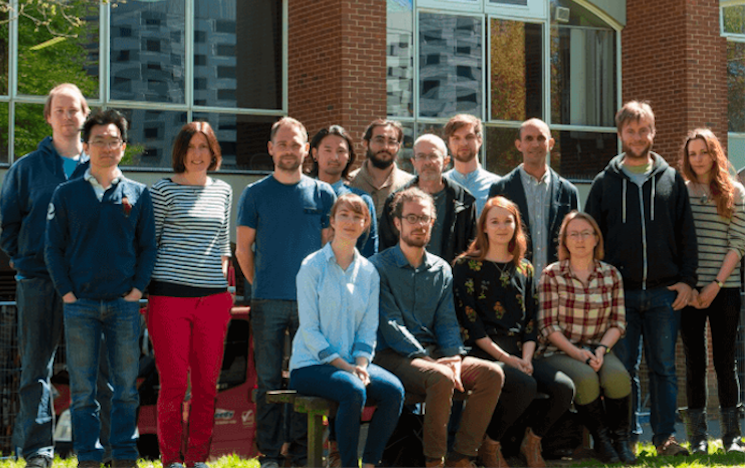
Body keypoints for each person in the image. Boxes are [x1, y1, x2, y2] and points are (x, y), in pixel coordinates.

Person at [44, 109, 157, 468]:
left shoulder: (139, 195)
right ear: (87, 146)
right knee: (82, 393)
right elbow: (52, 249)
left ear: (123, 147)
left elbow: (148, 248)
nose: (106, 147)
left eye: (113, 141)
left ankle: (124, 456)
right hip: (80, 305)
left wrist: (137, 291)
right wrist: (67, 294)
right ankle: (89, 458)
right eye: (99, 141)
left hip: (124, 307)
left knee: (125, 390)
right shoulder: (66, 194)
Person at [585, 101, 697, 456]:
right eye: (630, 131)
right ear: (620, 134)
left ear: (653, 132)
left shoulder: (671, 179)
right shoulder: (605, 182)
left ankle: (664, 437)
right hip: (620, 297)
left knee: (664, 368)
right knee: (624, 370)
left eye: (643, 129)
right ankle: (627, 437)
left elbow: (686, 234)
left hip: (665, 294)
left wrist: (687, 280)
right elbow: (591, 238)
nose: (637, 137)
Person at [371, 187, 504, 468]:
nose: (419, 224)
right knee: (441, 378)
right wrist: (431, 361)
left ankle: (462, 458)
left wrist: (454, 357)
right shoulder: (378, 267)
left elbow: (446, 320)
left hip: (434, 357)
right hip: (391, 355)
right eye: (412, 218)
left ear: (433, 222)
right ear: (397, 223)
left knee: (491, 374)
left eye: (425, 218)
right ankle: (435, 461)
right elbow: (390, 325)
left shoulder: (442, 269)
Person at [235, 117, 336, 468]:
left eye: (296, 144)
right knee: (265, 380)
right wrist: (259, 284)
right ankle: (268, 453)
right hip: (267, 303)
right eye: (283, 144)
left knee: (304, 379)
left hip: (311, 305)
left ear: (306, 149)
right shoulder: (255, 194)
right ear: (271, 148)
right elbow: (243, 250)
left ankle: (300, 452)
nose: (289, 150)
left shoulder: (323, 193)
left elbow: (329, 251)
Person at [0, 83, 90, 468]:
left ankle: (91, 447)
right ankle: (38, 451)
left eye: (75, 110)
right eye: (61, 110)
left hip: (88, 284)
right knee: (37, 368)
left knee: (92, 369)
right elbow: (8, 224)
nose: (68, 117)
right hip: (38, 282)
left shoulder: (100, 165)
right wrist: (26, 262)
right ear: (49, 117)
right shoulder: (26, 168)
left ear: (85, 116)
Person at [453, 196, 574, 468]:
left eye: (508, 221)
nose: (501, 226)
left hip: (521, 351)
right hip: (482, 352)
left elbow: (532, 319)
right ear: (483, 226)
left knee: (564, 388)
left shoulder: (525, 267)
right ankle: (490, 444)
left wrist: (526, 359)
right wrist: (509, 361)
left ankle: (531, 442)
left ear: (516, 226)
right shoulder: (465, 266)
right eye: (494, 221)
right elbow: (471, 323)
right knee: (524, 384)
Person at [289, 194, 404, 468]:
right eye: (344, 215)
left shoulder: (368, 272)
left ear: (365, 224)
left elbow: (367, 329)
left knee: (394, 391)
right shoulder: (312, 267)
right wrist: (347, 368)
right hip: (311, 365)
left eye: (357, 216)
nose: (350, 221)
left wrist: (361, 363)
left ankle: (372, 463)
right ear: (332, 221)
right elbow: (309, 330)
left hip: (353, 365)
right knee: (353, 390)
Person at [147, 122, 234, 468]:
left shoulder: (224, 191)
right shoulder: (162, 191)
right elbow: (148, 245)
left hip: (213, 301)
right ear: (180, 152)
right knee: (172, 386)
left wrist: (226, 291)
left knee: (207, 387)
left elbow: (224, 246)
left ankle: (197, 459)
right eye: (191, 147)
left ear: (214, 152)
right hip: (169, 300)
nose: (198, 154)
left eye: (204, 147)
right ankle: (170, 460)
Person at [538, 211, 635, 464]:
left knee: (617, 377)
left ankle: (621, 441)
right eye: (573, 234)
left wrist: (602, 349)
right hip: (557, 351)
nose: (580, 240)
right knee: (585, 378)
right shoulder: (552, 274)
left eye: (585, 233)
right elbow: (548, 326)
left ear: (596, 239)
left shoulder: (611, 275)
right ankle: (602, 442)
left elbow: (618, 322)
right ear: (565, 241)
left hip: (598, 347)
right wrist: (576, 353)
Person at [679, 128, 745, 454]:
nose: (698, 158)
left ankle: (732, 438)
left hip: (725, 289)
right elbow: (675, 243)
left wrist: (716, 285)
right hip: (689, 294)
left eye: (703, 151)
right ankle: (698, 439)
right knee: (694, 363)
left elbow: (738, 243)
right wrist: (691, 289)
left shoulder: (735, 192)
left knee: (724, 361)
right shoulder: (679, 192)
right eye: (693, 153)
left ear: (714, 153)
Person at [488, 118, 579, 280]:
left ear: (550, 144)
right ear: (519, 145)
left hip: (557, 284)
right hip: (513, 282)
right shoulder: (501, 189)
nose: (535, 144)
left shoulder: (568, 192)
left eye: (541, 138)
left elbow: (574, 241)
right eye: (529, 139)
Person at [379, 134, 477, 263]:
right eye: (421, 156)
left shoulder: (464, 201)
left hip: (449, 279)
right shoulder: (395, 202)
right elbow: (386, 248)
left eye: (433, 156)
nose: (427, 162)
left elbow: (470, 250)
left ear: (446, 162)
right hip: (403, 279)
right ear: (413, 162)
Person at [309, 125, 378, 257]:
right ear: (314, 154)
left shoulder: (362, 199)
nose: (334, 157)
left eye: (341, 151)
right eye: (327, 150)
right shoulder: (302, 195)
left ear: (349, 157)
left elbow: (369, 251)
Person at [349, 119, 414, 220]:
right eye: (379, 140)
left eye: (391, 142)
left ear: (399, 146)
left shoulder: (410, 186)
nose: (385, 147)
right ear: (366, 143)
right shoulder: (349, 183)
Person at [442, 114, 500, 216]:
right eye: (456, 138)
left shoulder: (497, 186)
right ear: (449, 144)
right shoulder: (440, 184)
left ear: (479, 140)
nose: (463, 143)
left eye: (469, 137)